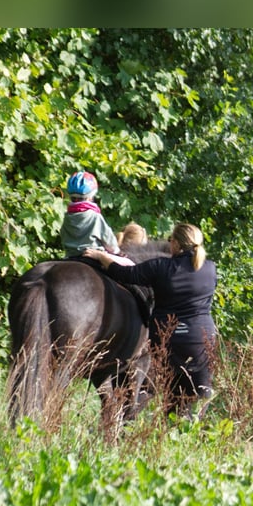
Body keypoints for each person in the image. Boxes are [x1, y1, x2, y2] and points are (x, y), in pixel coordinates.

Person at [84, 223, 218, 418]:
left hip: (167, 338)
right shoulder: (210, 268)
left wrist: (101, 256)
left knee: (165, 393)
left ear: (176, 244)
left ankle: (148, 426)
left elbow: (125, 274)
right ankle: (192, 434)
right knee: (199, 396)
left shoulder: (161, 267)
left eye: (170, 240)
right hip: (202, 338)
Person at [60, 171, 134, 266]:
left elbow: (63, 235)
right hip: (93, 256)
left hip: (70, 257)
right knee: (130, 265)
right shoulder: (94, 216)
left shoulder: (68, 216)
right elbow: (108, 238)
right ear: (90, 196)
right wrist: (116, 251)